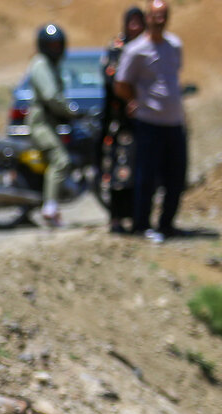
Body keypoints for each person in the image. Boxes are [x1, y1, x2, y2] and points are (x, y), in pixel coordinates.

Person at [115, 0, 187, 243]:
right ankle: (142, 224)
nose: (160, 20)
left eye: (164, 15)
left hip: (174, 121)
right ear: (148, 17)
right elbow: (122, 83)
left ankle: (167, 224)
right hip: (149, 122)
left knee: (176, 176)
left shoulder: (175, 46)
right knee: (146, 176)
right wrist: (135, 101)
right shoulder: (136, 50)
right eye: (156, 15)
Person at [27, 23, 82, 227]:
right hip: (41, 124)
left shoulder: (52, 66)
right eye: (52, 45)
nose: (56, 49)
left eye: (59, 45)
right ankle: (50, 208)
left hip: (50, 124)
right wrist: (71, 111)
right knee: (60, 160)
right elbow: (51, 96)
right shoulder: (41, 64)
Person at [100, 7, 147, 234]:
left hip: (146, 121)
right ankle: (116, 219)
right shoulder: (117, 48)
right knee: (119, 172)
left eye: (140, 22)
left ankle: (138, 219)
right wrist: (130, 96)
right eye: (132, 22)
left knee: (142, 172)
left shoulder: (149, 48)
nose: (136, 27)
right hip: (120, 123)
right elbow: (112, 79)